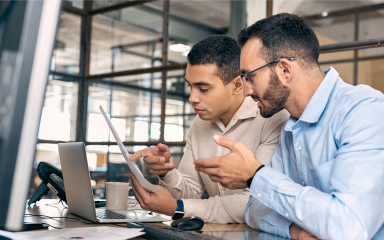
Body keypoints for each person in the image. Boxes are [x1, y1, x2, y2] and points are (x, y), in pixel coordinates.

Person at [194, 13, 384, 239]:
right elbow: (254, 208)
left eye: (249, 77)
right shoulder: (290, 127)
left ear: (284, 70)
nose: (245, 90)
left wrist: (255, 175)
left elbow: (349, 226)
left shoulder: (364, 110)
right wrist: (293, 229)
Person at [128, 35, 289, 224]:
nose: (192, 98)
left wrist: (177, 208)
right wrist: (166, 172)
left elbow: (257, 201)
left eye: (203, 88)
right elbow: (192, 194)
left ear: (237, 85)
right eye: (190, 86)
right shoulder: (200, 123)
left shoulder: (272, 118)